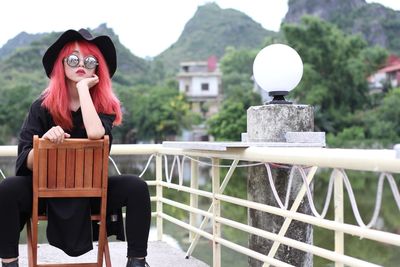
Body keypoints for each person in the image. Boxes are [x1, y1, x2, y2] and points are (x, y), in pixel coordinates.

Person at [0, 29, 151, 267]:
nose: (81, 64)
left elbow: (95, 134)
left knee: (137, 188)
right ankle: (9, 262)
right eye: (73, 59)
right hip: (46, 194)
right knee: (8, 188)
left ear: (96, 69)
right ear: (61, 65)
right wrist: (44, 145)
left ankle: (137, 261)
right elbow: (24, 159)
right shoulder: (41, 106)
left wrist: (83, 90)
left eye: (89, 61)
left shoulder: (105, 106)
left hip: (90, 194)